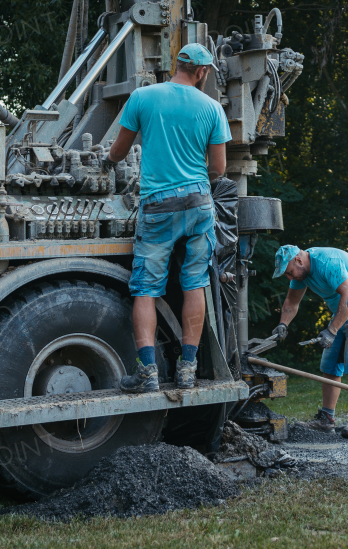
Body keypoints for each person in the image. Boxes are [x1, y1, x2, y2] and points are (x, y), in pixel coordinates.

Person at [106, 43, 230, 392]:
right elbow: (219, 168)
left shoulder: (143, 98)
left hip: (158, 206)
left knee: (145, 289)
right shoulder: (212, 108)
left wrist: (109, 164)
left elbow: (117, 152)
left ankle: (147, 375)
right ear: (202, 71)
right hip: (199, 204)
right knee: (195, 283)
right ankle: (187, 371)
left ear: (176, 65)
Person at [272, 245, 348, 439]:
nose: (290, 278)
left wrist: (332, 331)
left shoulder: (326, 263)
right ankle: (326, 419)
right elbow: (292, 302)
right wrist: (283, 324)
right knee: (329, 363)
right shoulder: (301, 274)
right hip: (343, 308)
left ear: (298, 260)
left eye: (289, 272)